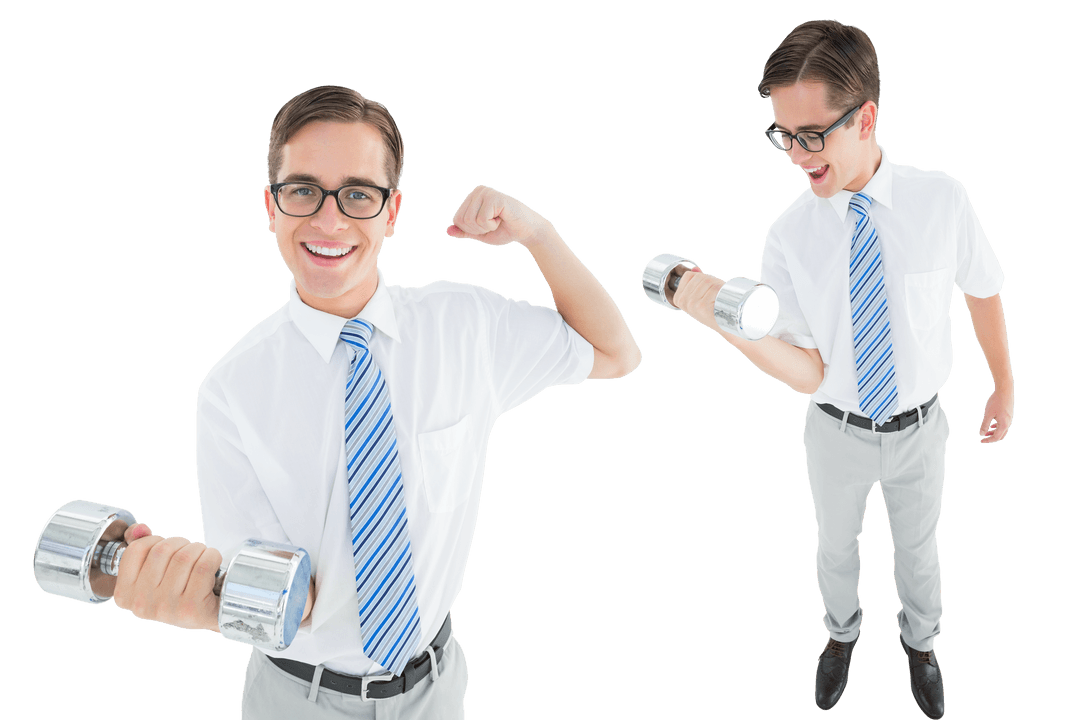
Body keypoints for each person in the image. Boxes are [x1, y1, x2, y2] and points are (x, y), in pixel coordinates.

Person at [108, 85, 641, 719]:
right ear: (271, 208)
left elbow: (615, 354)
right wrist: (192, 593)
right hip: (298, 700)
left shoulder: (462, 324)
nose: (329, 222)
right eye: (303, 190)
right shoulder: (232, 392)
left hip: (435, 689)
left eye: (358, 195)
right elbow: (281, 599)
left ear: (391, 212)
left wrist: (537, 233)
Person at [670, 19, 1012, 719]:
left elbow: (982, 289)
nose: (796, 154)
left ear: (867, 117)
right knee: (835, 551)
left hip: (921, 429)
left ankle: (921, 647)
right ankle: (840, 637)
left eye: (812, 135)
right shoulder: (790, 235)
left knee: (919, 555)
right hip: (834, 430)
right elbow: (805, 370)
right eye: (782, 136)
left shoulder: (940, 199)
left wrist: (1004, 383)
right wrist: (730, 324)